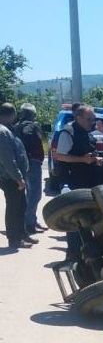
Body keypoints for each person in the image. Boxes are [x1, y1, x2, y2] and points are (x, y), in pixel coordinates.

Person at [53, 104, 101, 261]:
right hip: (73, 183)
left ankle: (85, 256)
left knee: (87, 220)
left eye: (93, 119)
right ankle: (73, 256)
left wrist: (95, 160)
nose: (92, 122)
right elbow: (59, 156)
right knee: (74, 220)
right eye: (89, 119)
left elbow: (87, 154)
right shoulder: (68, 133)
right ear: (78, 118)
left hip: (87, 182)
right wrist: (83, 160)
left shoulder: (87, 133)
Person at [0, 103, 37, 249]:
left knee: (22, 205)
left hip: (15, 176)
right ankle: (14, 239)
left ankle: (22, 234)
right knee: (14, 208)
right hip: (10, 177)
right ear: (12, 114)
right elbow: (7, 159)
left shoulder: (9, 129)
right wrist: (17, 177)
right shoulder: (2, 132)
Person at [13, 103, 47, 234]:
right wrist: (30, 153)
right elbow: (27, 137)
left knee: (29, 194)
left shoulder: (16, 126)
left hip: (23, 162)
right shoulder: (30, 126)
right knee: (35, 194)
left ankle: (31, 219)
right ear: (32, 114)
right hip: (32, 162)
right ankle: (29, 223)